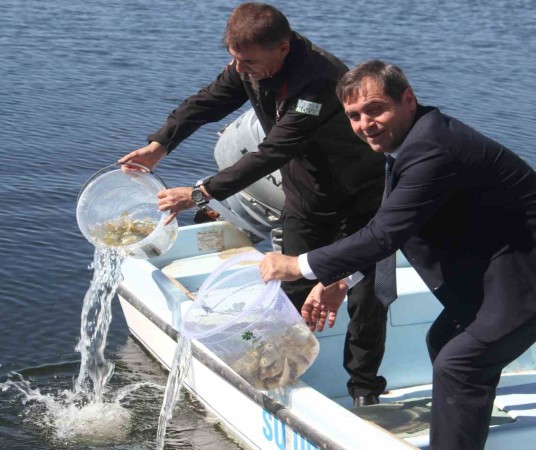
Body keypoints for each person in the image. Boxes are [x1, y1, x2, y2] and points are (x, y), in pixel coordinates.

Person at [259, 60, 536, 450]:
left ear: (408, 100)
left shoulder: (433, 149)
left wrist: (298, 265)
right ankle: (462, 430)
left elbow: (385, 233)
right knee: (446, 341)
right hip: (505, 260)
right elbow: (395, 226)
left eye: (375, 109)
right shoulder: (414, 142)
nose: (365, 124)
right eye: (354, 116)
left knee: (460, 363)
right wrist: (343, 279)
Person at [118, 3, 389, 406]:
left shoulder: (319, 81)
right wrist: (161, 143)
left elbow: (273, 151)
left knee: (366, 298)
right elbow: (209, 100)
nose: (240, 68)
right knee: (291, 286)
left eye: (247, 61)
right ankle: (282, 376)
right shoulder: (251, 64)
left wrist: (199, 193)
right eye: (234, 58)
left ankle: (365, 391)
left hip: (361, 199)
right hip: (306, 195)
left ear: (282, 48)